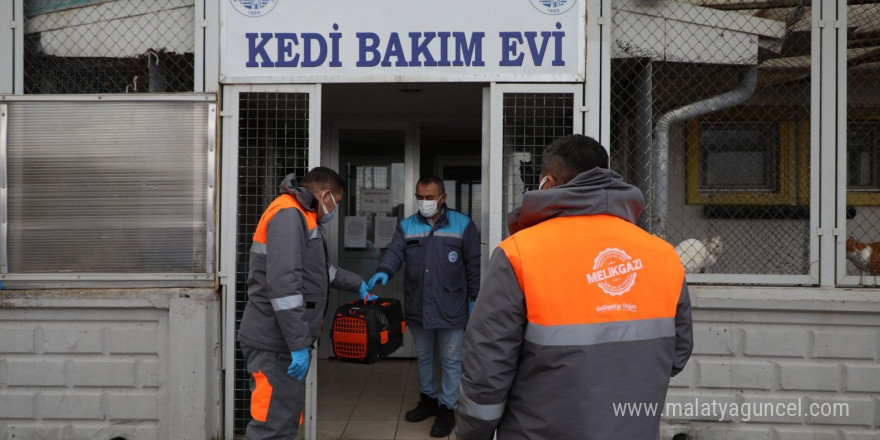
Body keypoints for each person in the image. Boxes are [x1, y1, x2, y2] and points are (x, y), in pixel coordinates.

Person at [456, 135, 693, 440]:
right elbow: (678, 353)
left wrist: (473, 433)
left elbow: (487, 367)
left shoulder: (519, 252)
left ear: (549, 183)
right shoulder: (662, 254)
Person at [237, 167, 376, 440]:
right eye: (336, 202)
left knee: (285, 421)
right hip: (276, 343)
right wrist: (299, 343)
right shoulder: (289, 216)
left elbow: (320, 272)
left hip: (283, 341)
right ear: (326, 196)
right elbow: (284, 285)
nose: (334, 210)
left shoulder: (304, 216)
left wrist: (357, 283)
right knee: (272, 428)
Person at [367, 175, 481, 438]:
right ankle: (428, 400)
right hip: (419, 304)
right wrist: (385, 269)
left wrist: (474, 298)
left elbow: (473, 265)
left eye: (429, 197)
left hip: (451, 304)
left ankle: (446, 408)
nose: (424, 202)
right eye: (419, 197)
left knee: (452, 359)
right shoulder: (407, 226)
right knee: (425, 357)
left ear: (443, 198)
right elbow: (394, 252)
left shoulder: (463, 224)